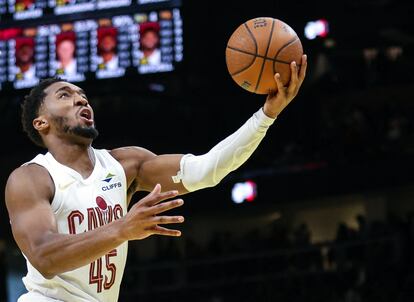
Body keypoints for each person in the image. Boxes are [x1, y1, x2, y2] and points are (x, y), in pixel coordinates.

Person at [5, 55, 307, 301]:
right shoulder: (31, 178)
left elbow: (206, 171)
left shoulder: (125, 165)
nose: (81, 100)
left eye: (83, 96)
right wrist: (123, 228)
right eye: (65, 95)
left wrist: (266, 115)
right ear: (41, 122)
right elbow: (44, 257)